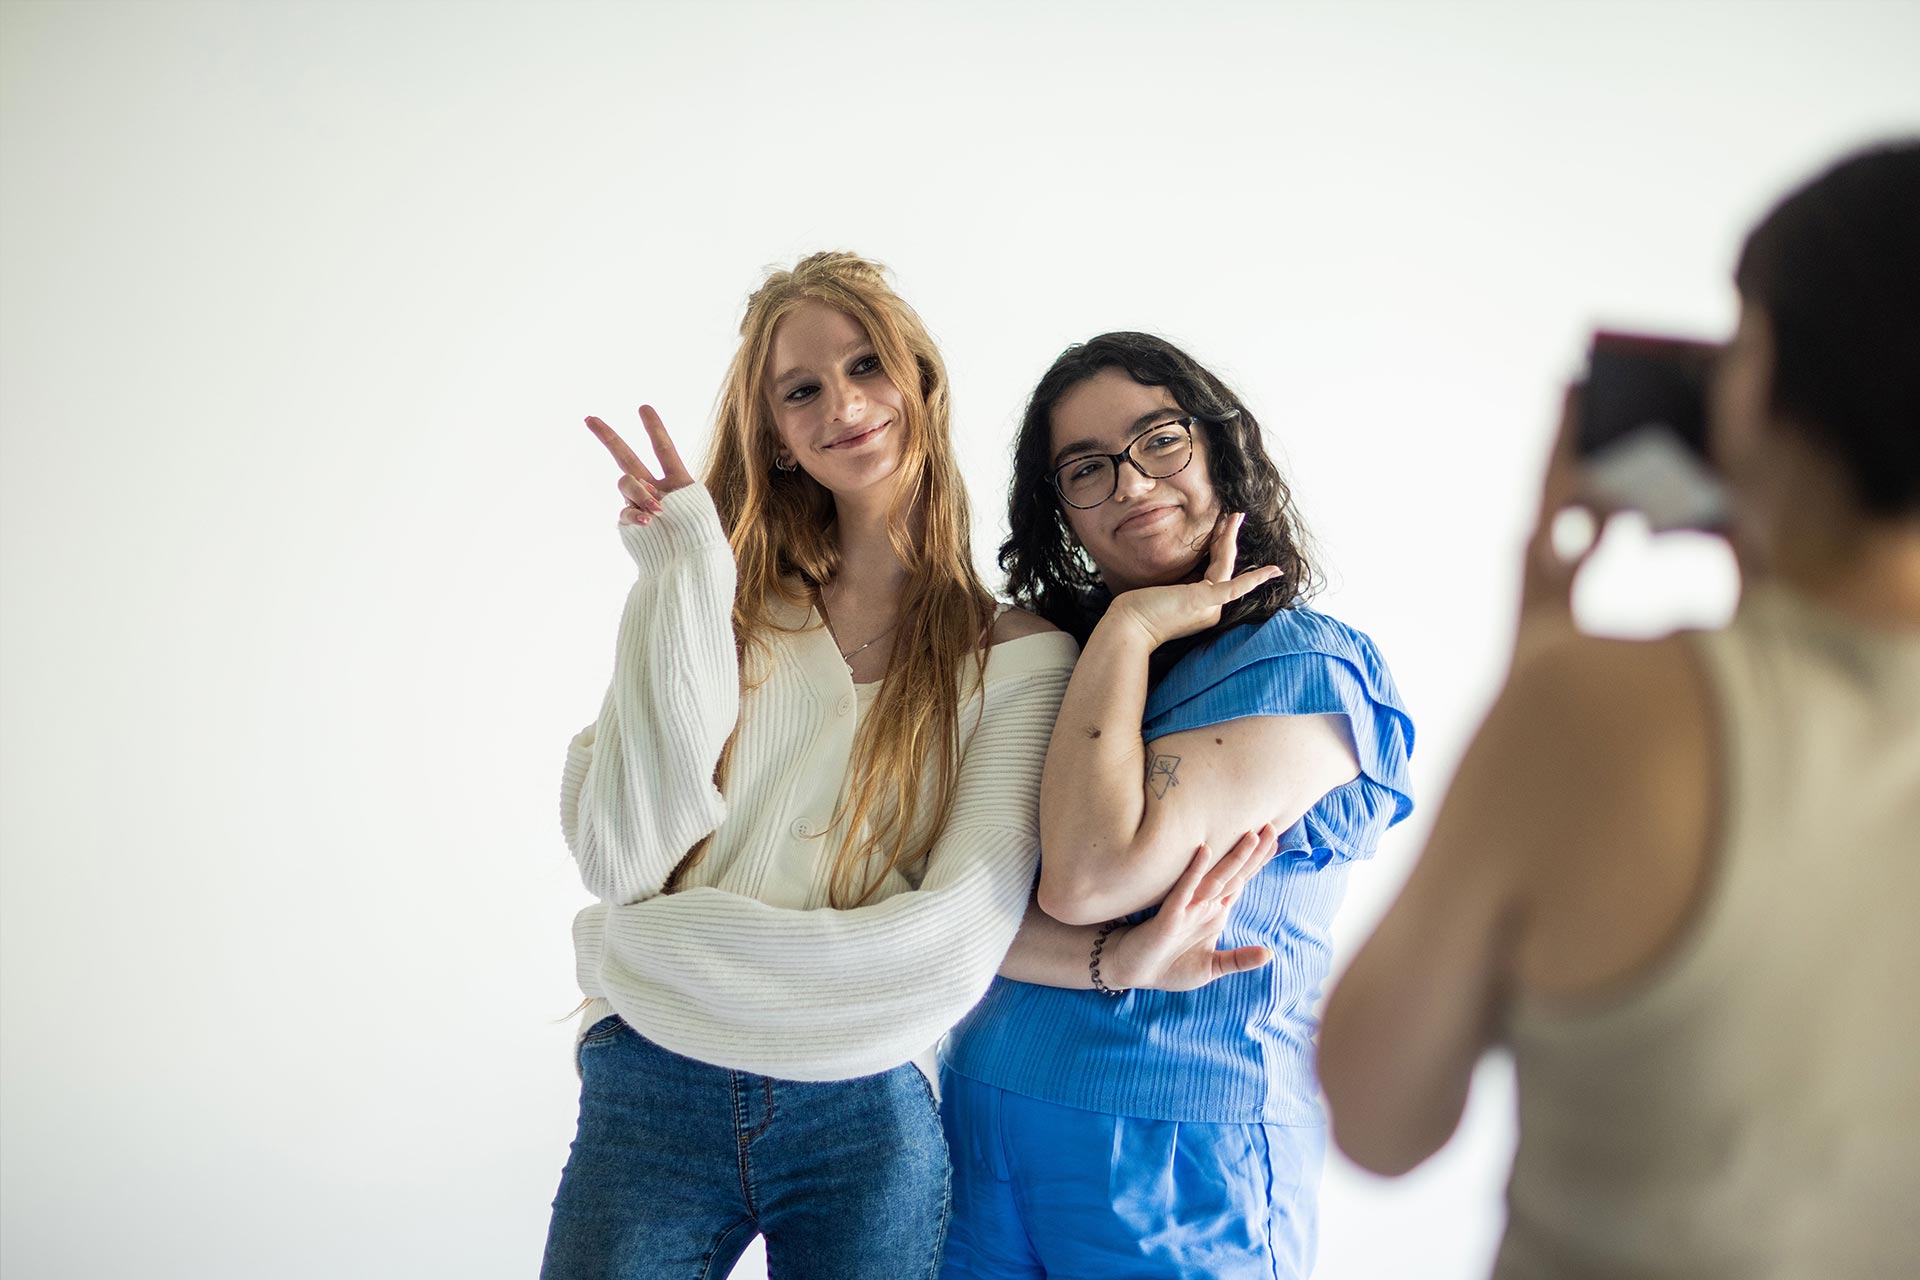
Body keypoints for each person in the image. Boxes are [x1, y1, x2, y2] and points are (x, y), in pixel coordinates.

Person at [1317, 141, 1920, 1279]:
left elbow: (1378, 1114)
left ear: (1781, 388)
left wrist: (1540, 663)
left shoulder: (1597, 712)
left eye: (1739, 343)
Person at [538, 252, 1082, 1280]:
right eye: (801, 390)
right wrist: (686, 573)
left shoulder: (1020, 658)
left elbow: (950, 946)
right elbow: (621, 856)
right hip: (651, 1079)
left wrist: (661, 946)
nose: (842, 404)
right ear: (779, 440)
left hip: (863, 1111)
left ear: (920, 379)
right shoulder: (716, 600)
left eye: (866, 364)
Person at [939, 333, 1417, 1279]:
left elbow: (1089, 877)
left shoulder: (1307, 666)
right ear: (1060, 512)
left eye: (1159, 440)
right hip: (977, 1124)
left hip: (1176, 1156)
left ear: (1219, 448)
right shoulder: (1050, 667)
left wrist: (1129, 625)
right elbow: (944, 909)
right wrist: (1121, 638)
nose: (1130, 483)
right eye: (1087, 468)